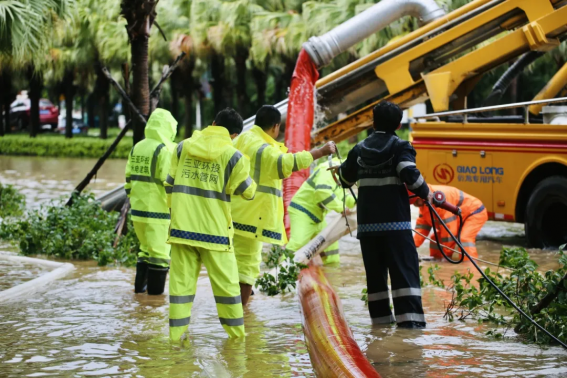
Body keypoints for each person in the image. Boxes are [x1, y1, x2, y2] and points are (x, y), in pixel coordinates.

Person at [333, 101, 433, 328]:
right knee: (405, 278)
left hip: (368, 230)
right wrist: (425, 193)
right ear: (398, 124)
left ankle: (380, 329)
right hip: (396, 229)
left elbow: (345, 179)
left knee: (376, 282)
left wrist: (339, 171)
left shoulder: (358, 149)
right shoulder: (400, 147)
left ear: (373, 121)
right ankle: (410, 334)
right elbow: (409, 173)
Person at [165, 108, 256, 341]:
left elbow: (169, 185)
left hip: (182, 230)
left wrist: (176, 214)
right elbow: (248, 192)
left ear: (213, 123)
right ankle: (237, 345)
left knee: (180, 291)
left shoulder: (182, 147)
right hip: (215, 235)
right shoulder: (234, 157)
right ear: (234, 135)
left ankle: (175, 341)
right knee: (228, 292)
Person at [230, 105, 336, 305]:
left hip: (233, 212)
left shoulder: (242, 138)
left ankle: (237, 304)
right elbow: (284, 164)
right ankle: (240, 315)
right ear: (276, 127)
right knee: (248, 266)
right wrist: (318, 152)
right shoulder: (262, 148)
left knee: (234, 261)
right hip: (252, 215)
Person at [125, 108, 177, 295]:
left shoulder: (137, 147)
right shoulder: (165, 150)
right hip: (159, 212)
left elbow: (128, 179)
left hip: (138, 211)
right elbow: (169, 181)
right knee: (160, 255)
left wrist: (134, 199)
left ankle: (139, 293)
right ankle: (154, 301)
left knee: (145, 250)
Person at [286, 157, 356, 264]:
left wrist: (357, 202)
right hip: (302, 211)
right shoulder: (328, 169)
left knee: (331, 250)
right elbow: (322, 191)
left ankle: (332, 275)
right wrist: (342, 209)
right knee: (298, 243)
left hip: (318, 216)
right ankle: (282, 270)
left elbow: (342, 196)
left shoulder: (340, 175)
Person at [413, 185, 488, 260]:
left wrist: (447, 256)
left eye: (413, 201)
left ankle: (470, 266)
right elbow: (422, 227)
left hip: (474, 212)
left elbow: (449, 231)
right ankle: (436, 260)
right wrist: (412, 246)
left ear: (418, 197)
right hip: (459, 216)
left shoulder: (438, 199)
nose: (413, 204)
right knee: (435, 238)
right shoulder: (425, 202)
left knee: (465, 239)